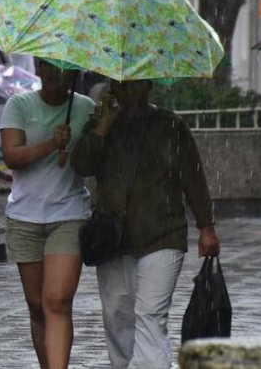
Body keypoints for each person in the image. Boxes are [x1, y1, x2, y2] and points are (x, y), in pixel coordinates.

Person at [71, 79, 220, 368]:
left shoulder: (172, 125)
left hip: (163, 233)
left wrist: (206, 226)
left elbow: (193, 177)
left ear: (149, 84)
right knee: (118, 314)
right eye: (120, 84)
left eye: (134, 84)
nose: (127, 90)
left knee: (151, 313)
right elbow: (81, 165)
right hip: (113, 236)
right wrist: (103, 127)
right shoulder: (102, 123)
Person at [0, 59, 95, 369]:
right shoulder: (18, 104)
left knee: (57, 301)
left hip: (69, 214)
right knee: (37, 305)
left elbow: (94, 160)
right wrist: (51, 143)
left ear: (73, 72)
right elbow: (12, 156)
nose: (54, 73)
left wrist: (102, 127)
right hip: (25, 216)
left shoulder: (85, 108)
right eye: (47, 66)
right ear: (38, 68)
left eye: (62, 67)